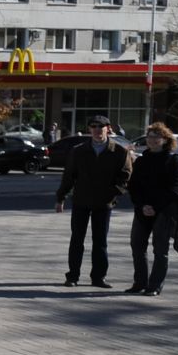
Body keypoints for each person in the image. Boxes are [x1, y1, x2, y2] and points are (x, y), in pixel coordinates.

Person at [54, 114, 133, 288]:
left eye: (101, 126)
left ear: (108, 128)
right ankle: (72, 276)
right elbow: (69, 176)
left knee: (100, 242)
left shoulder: (119, 151)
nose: (97, 130)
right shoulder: (79, 150)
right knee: (77, 240)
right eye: (94, 126)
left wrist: (113, 193)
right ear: (89, 129)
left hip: (104, 203)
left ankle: (98, 278)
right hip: (81, 201)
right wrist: (61, 197)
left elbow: (125, 177)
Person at [126, 122, 178, 296]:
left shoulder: (174, 160)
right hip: (142, 210)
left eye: (156, 137)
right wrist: (142, 205)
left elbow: (177, 187)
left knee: (160, 250)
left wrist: (156, 207)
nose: (152, 140)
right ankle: (140, 282)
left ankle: (155, 286)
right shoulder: (142, 161)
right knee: (137, 246)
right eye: (150, 136)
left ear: (166, 139)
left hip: (164, 211)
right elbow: (133, 186)